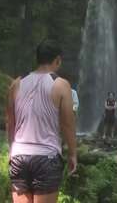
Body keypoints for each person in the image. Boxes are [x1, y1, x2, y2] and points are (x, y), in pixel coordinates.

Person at [6, 40, 77, 203]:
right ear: (57, 60)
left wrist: (11, 149)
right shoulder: (61, 85)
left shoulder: (16, 83)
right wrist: (73, 153)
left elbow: (10, 121)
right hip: (46, 158)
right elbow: (67, 124)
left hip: (19, 157)